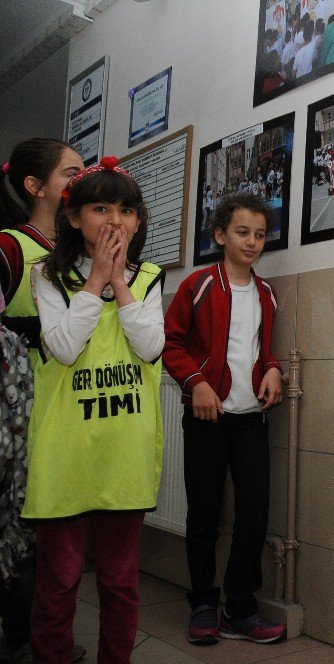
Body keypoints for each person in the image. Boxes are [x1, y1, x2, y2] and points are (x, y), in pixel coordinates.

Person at [24, 156, 164, 664]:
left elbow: (150, 346)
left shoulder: (148, 277)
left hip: (122, 454)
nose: (114, 221)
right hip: (65, 454)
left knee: (120, 586)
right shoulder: (47, 274)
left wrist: (118, 282)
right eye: (100, 208)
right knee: (58, 585)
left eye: (126, 210)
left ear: (138, 220)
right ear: (73, 217)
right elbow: (62, 346)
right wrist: (93, 282)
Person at [163, 193, 285, 647]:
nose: (252, 242)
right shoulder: (197, 285)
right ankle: (201, 603)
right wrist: (196, 382)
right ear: (220, 235)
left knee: (254, 515)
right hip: (207, 419)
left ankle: (240, 607)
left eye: (259, 234)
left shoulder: (268, 294)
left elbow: (260, 350)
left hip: (251, 418)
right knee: (204, 516)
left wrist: (273, 367)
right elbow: (169, 343)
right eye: (242, 232)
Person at [0, 138, 88, 664]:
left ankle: (39, 636)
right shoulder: (14, 245)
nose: (80, 181)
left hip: (65, 412)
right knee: (20, 523)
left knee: (49, 529)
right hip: (20, 418)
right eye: (70, 173)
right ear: (35, 187)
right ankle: (22, 639)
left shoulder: (78, 251)